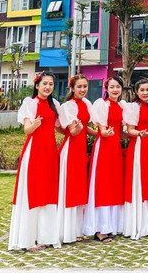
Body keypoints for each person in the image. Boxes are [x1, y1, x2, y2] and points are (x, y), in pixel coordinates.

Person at [8, 72, 61, 251]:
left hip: (50, 151)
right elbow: (27, 130)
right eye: (44, 83)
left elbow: (60, 128)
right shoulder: (30, 103)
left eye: (51, 84)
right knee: (33, 191)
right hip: (35, 150)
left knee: (48, 192)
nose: (47, 87)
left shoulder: (54, 105)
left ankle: (44, 236)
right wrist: (34, 125)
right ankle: (28, 239)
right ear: (37, 85)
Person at [83, 76, 128, 243]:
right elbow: (102, 130)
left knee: (114, 186)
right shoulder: (101, 105)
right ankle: (100, 229)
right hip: (104, 147)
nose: (115, 90)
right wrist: (106, 133)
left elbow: (121, 131)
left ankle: (111, 226)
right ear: (106, 88)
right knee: (102, 186)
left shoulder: (122, 106)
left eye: (118, 87)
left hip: (115, 148)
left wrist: (136, 135)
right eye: (112, 87)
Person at [57, 73, 94, 244]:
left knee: (80, 187)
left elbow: (86, 128)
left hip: (81, 150)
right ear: (72, 88)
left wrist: (100, 133)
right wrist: (77, 129)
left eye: (85, 86)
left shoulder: (86, 104)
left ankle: (78, 229)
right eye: (79, 86)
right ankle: (66, 230)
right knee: (69, 187)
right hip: (71, 149)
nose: (83, 89)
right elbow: (71, 131)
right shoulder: (68, 106)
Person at [122, 78, 148, 239]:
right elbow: (130, 130)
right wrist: (139, 133)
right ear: (136, 92)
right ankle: (137, 224)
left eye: (147, 90)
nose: (145, 93)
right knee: (138, 182)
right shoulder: (133, 108)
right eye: (142, 90)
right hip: (137, 145)